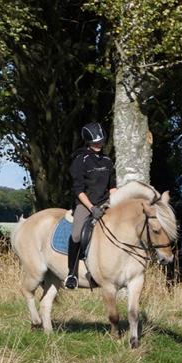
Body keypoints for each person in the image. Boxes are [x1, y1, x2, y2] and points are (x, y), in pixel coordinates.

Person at [66, 121, 117, 288]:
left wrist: (113, 204)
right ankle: (71, 274)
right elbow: (79, 190)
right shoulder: (81, 160)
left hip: (105, 204)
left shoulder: (108, 161)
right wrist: (92, 208)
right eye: (95, 142)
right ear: (88, 142)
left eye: (101, 141)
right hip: (85, 204)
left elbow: (113, 187)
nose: (99, 144)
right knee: (76, 235)